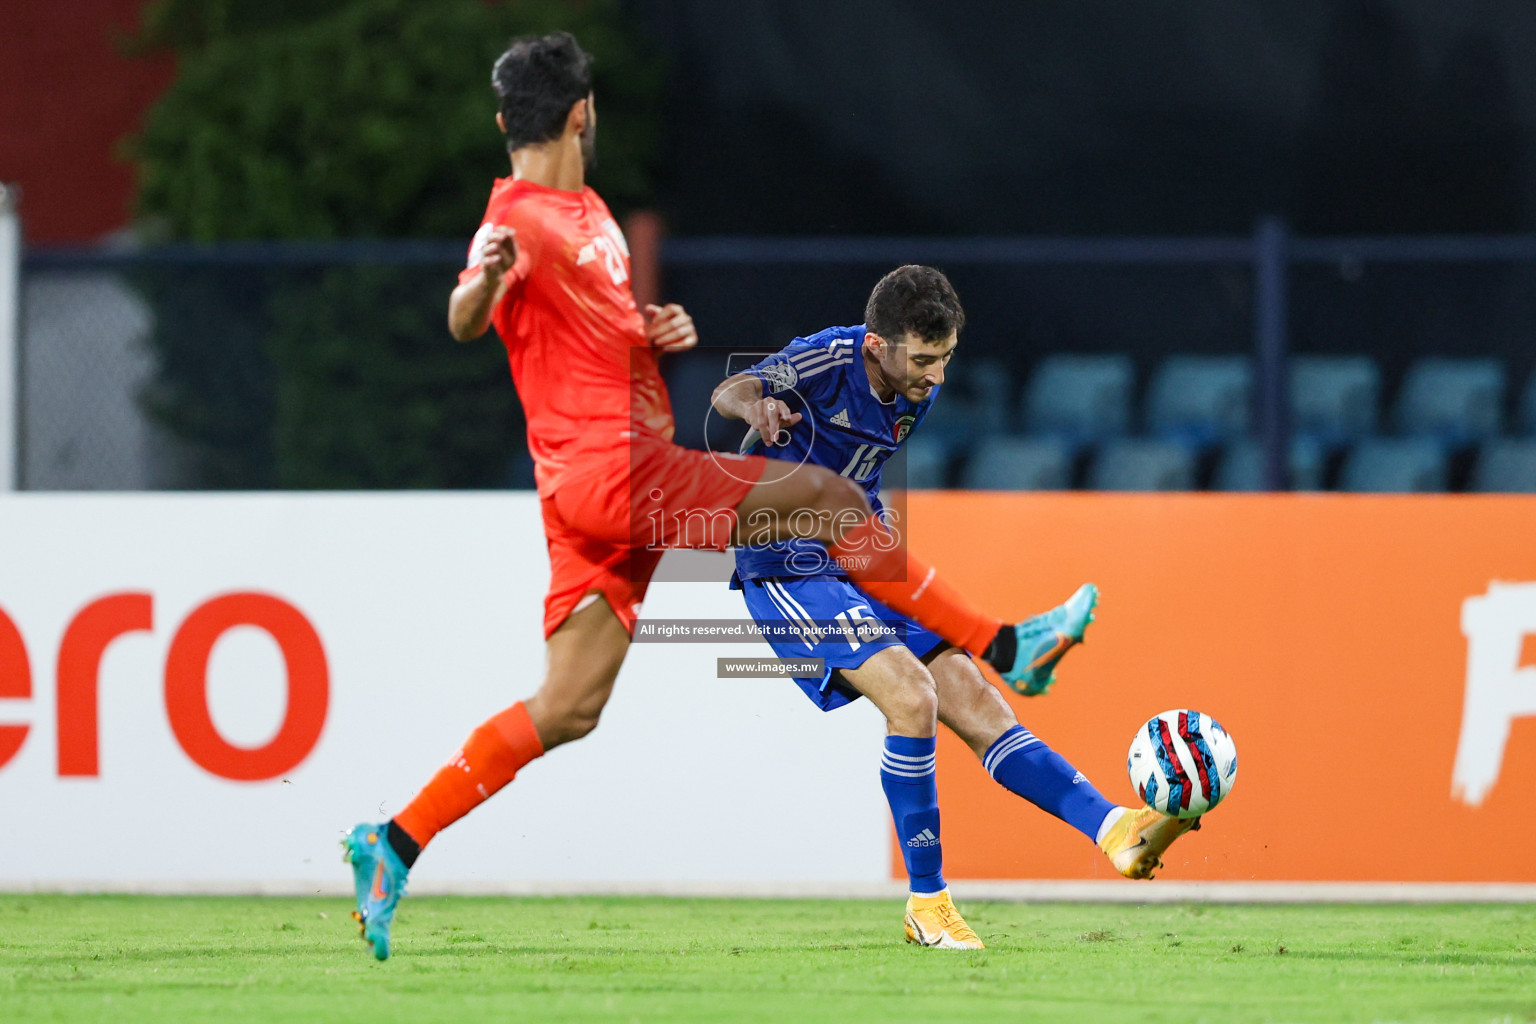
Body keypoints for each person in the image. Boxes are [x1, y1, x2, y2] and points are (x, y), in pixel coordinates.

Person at [342, 32, 1095, 960]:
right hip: (614, 471)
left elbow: (582, 342)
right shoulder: (522, 220)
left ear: (511, 120)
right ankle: (1006, 645)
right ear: (586, 113)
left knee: (570, 706)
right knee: (823, 496)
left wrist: (648, 333)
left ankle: (394, 843)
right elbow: (465, 313)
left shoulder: (592, 220)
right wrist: (484, 283)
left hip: (590, 486)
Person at [711, 265, 1201, 949]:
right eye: (923, 360)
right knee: (912, 697)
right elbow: (734, 387)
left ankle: (1113, 828)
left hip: (855, 554)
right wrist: (755, 408)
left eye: (944, 359)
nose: (936, 377)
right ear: (878, 347)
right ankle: (928, 901)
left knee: (974, 698)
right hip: (784, 560)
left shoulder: (917, 387)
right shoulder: (830, 357)